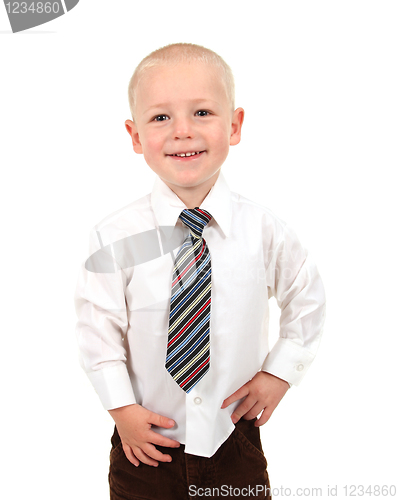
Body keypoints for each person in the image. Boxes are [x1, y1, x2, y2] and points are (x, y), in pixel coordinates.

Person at [74, 42, 326, 500]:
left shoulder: (263, 229)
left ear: (234, 126)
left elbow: (305, 296)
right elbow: (97, 329)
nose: (183, 132)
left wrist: (280, 372)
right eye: (161, 117)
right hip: (144, 441)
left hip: (233, 439)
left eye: (203, 113)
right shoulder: (114, 235)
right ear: (134, 136)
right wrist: (122, 410)